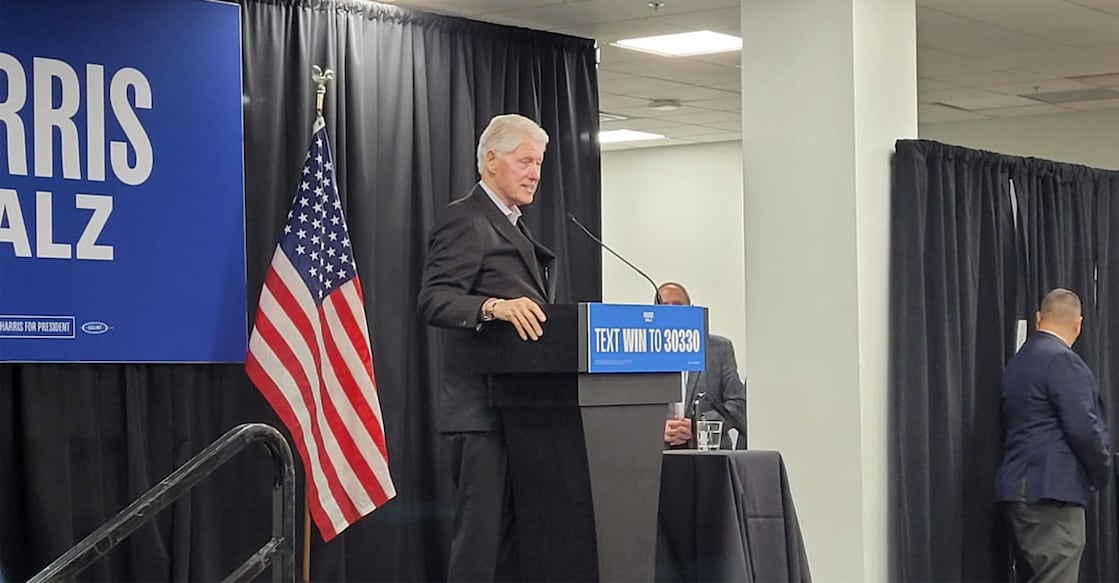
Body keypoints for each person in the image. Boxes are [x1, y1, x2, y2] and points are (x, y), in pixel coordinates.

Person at [418, 113, 554, 582]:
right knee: (479, 543)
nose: (535, 172)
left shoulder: (513, 224)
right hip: (479, 413)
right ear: (491, 160)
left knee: (514, 545)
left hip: (519, 410)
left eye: (538, 163)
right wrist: (493, 306)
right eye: (525, 161)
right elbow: (433, 300)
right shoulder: (466, 219)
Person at [994, 288, 1112, 583]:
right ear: (1078, 324)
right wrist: (1103, 471)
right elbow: (1084, 428)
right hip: (1051, 494)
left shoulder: (1018, 363)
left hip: (1017, 491)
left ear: (1038, 318)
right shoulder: (1063, 361)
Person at [656, 282, 747, 449]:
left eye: (677, 305)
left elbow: (738, 404)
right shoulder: (641, 353)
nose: (670, 310)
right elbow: (628, 412)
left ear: (691, 309)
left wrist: (698, 426)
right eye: (663, 305)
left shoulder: (718, 348)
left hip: (709, 455)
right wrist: (657, 429)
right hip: (657, 455)